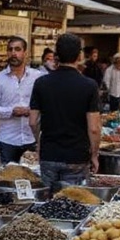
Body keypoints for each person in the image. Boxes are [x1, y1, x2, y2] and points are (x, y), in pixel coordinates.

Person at [29, 34, 101, 188]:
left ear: (56, 56)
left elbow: (33, 121)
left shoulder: (41, 83)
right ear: (79, 55)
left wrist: (39, 144)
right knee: (73, 204)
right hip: (77, 156)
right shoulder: (89, 85)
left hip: (49, 154)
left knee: (46, 204)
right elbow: (94, 128)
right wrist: (94, 155)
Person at [0, 37, 40, 164]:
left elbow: (46, 104)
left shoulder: (38, 77)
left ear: (25, 53)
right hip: (8, 140)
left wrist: (32, 111)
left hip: (31, 138)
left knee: (33, 179)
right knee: (7, 179)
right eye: (10, 50)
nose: (13, 53)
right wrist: (12, 111)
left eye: (17, 49)